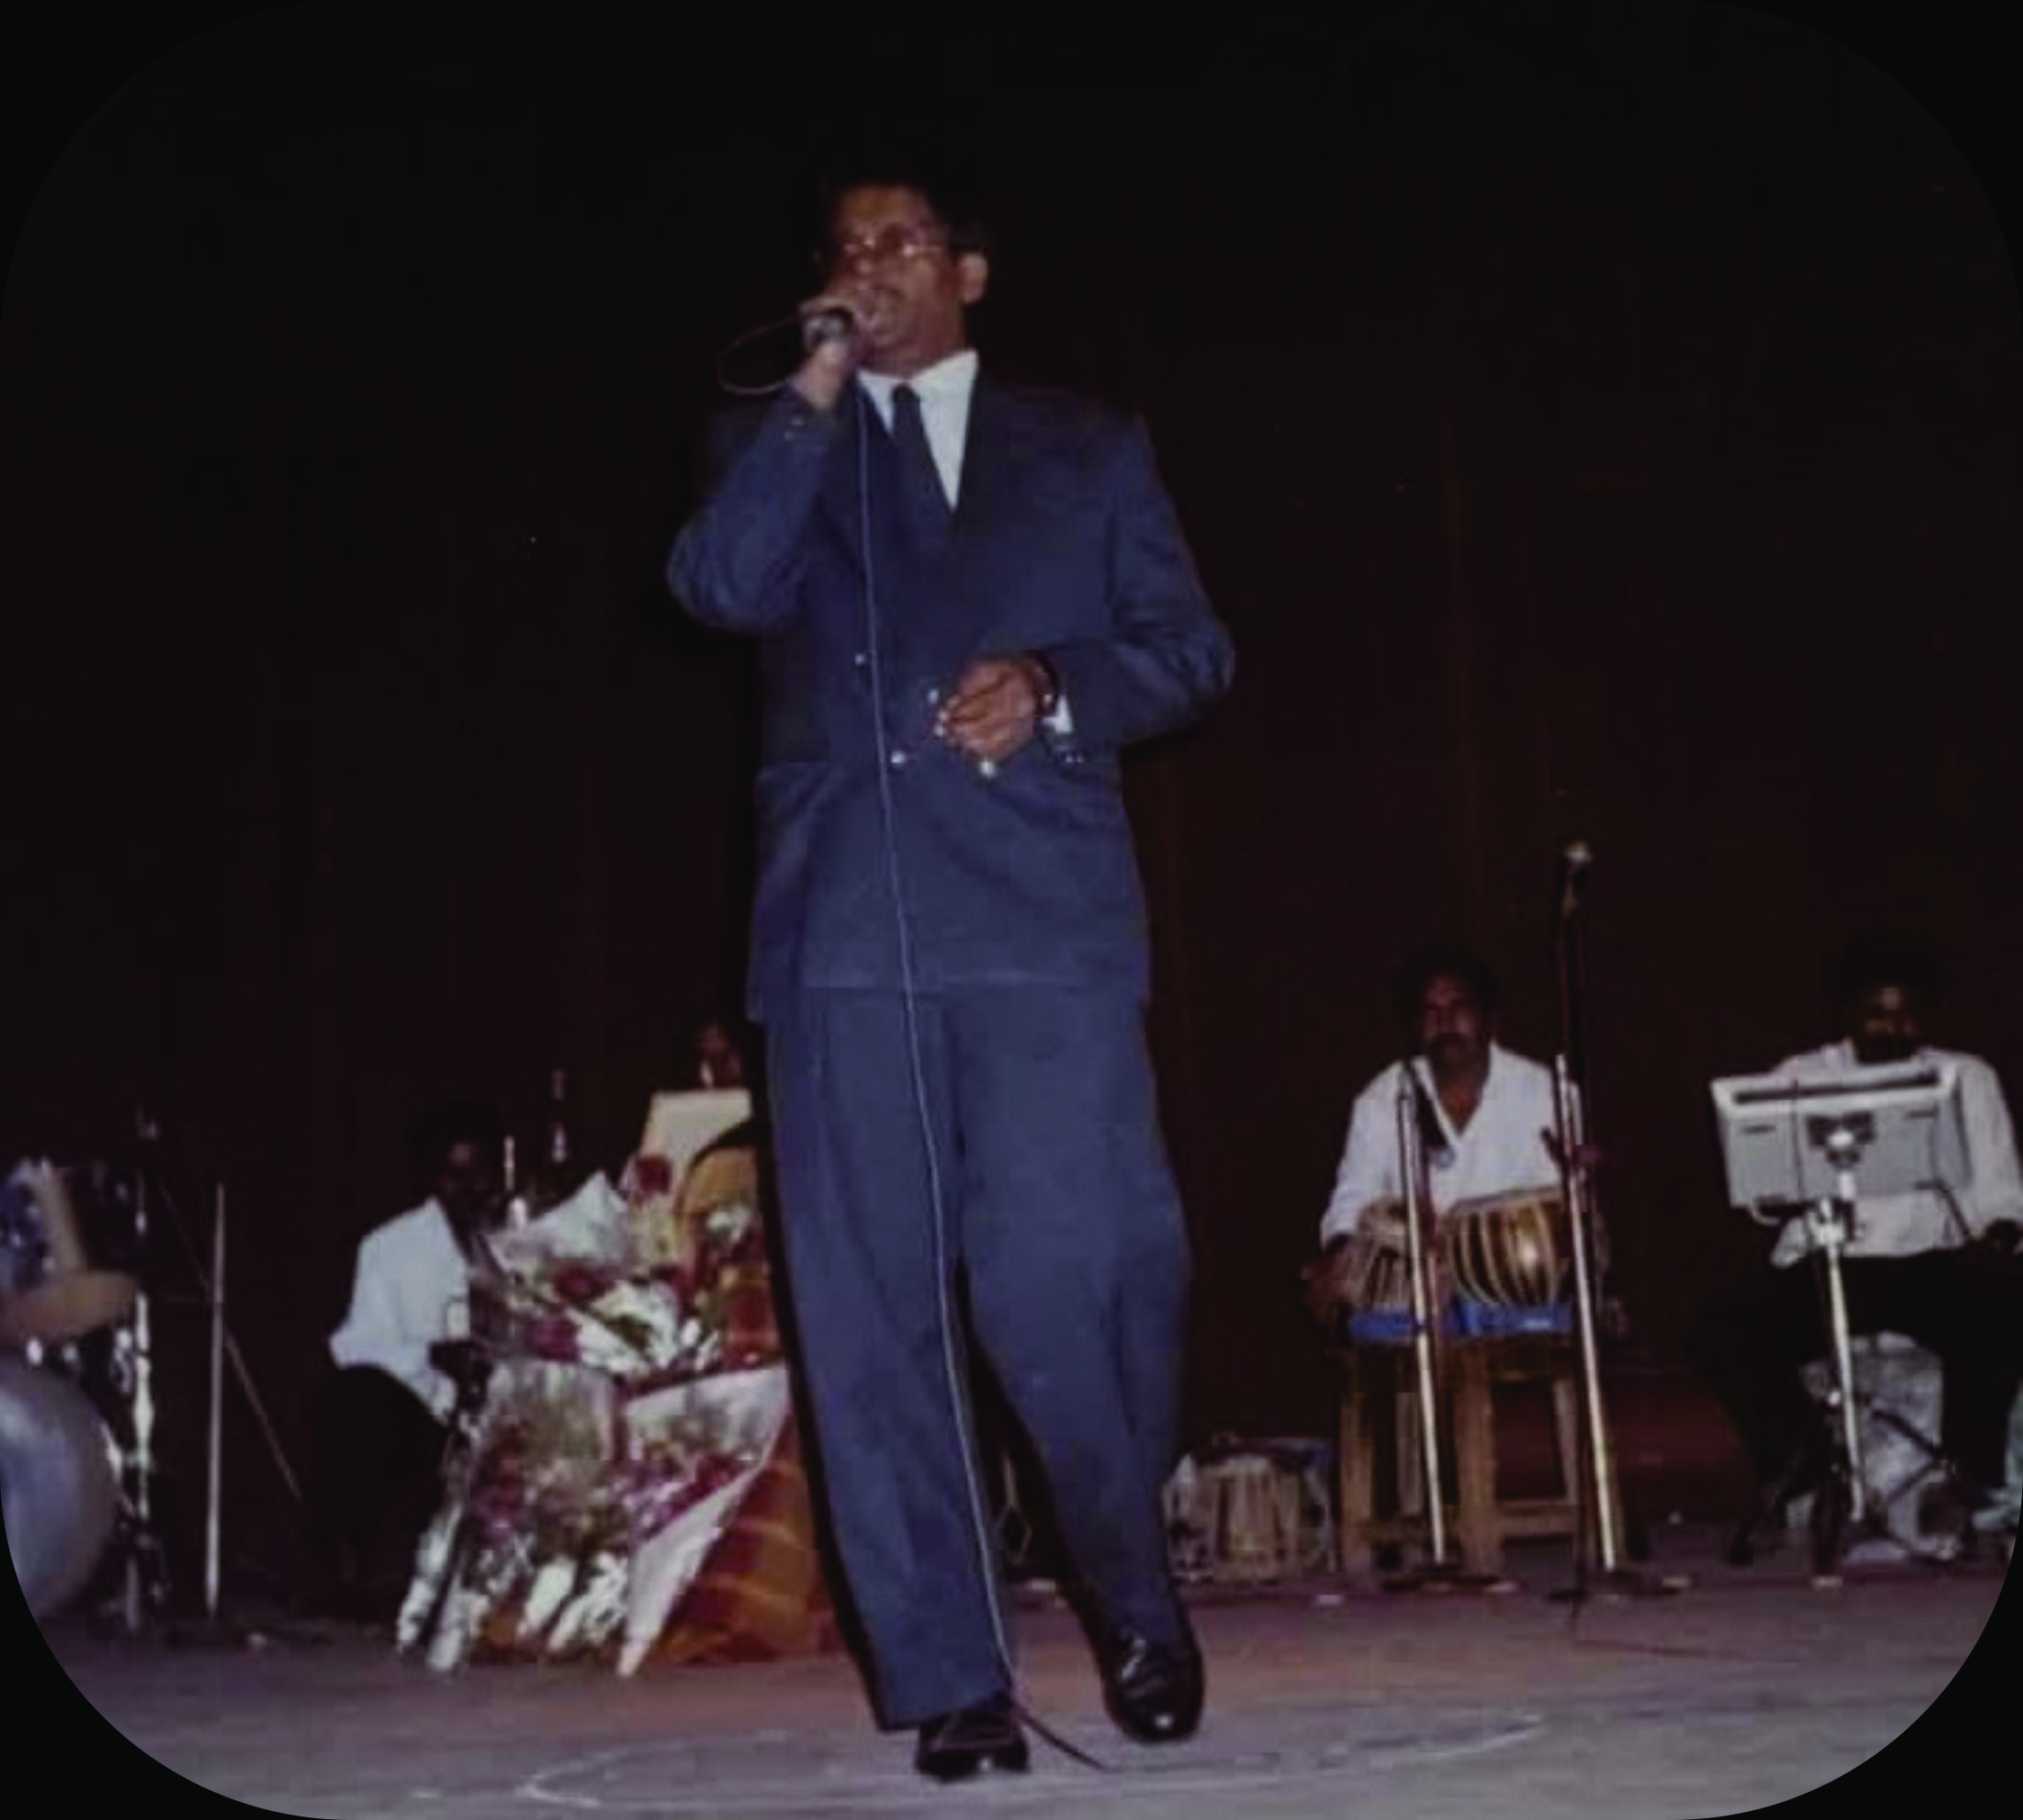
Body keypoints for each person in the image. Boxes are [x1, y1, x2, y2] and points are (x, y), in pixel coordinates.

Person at [666, 153, 1233, 1780]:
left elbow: (1192, 649)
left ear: (969, 271)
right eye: (844, 245)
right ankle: (951, 1674)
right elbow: (717, 586)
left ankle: (1131, 1589)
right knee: (871, 1322)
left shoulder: (1087, 443)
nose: (869, 261)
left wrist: (1055, 687)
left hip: (1042, 927)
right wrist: (812, 386)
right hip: (843, 935)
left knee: (1074, 1276)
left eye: (900, 240)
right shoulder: (777, 436)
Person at [1690, 933, 2023, 1544]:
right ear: (1846, 1013)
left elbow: (2000, 1192)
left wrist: (2001, 1233)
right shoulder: (1800, 1076)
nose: (1893, 1029)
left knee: (2003, 1309)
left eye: (1907, 1015)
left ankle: (1965, 1480)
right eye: (1876, 1014)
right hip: (1828, 1264)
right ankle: (1807, 1473)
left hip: (1928, 1264)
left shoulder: (1967, 1077)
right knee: (1720, 1329)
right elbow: (1762, 1199)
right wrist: (1783, 1190)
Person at [312, 1099, 503, 1619]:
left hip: (513, 1415)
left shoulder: (524, 1238)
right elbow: (357, 1346)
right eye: (454, 1177)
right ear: (431, 1178)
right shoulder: (389, 1247)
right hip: (428, 1417)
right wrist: (433, 1355)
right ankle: (369, 1577)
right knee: (351, 1402)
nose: (469, 1190)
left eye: (479, 1175)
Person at [1309, 947, 1567, 1320]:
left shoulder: (1544, 1092)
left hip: (1519, 1294)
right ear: (1415, 1027)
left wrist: (1468, 1254)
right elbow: (1352, 1199)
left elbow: (1558, 1207)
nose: (1444, 1022)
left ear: (1491, 1021)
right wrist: (1342, 1259)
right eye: (1430, 1012)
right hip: (1414, 1299)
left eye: (1460, 1008)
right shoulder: (1383, 1098)